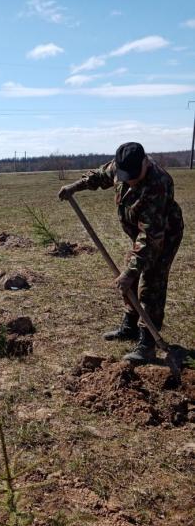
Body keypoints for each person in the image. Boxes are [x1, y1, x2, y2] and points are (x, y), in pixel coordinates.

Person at [58, 142, 184, 364]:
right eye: (126, 176)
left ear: (145, 162)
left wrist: (131, 272)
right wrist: (74, 187)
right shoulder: (122, 167)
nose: (129, 181)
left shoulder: (158, 184)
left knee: (151, 281)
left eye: (134, 176)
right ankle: (130, 326)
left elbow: (151, 237)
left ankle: (148, 343)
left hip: (162, 236)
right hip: (139, 235)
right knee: (130, 277)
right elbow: (99, 176)